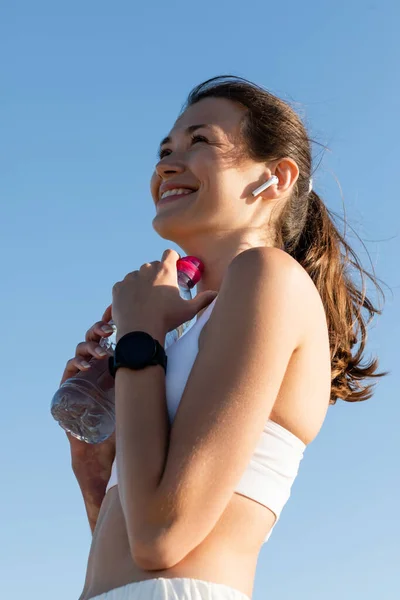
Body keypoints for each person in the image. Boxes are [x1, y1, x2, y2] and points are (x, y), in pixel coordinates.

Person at [61, 76, 386, 600]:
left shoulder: (269, 277)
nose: (167, 163)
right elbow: (125, 547)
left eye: (200, 141)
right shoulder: (188, 331)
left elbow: (160, 542)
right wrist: (93, 462)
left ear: (275, 178)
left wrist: (140, 338)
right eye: (164, 150)